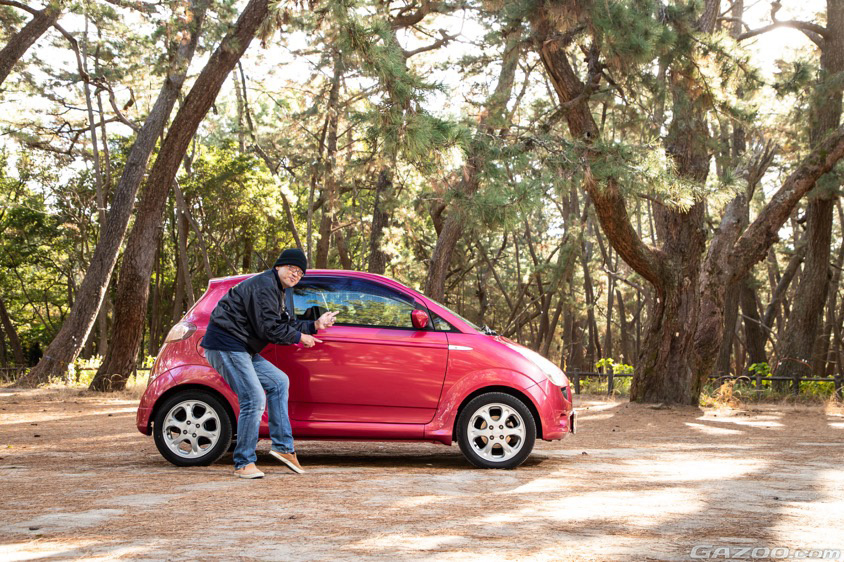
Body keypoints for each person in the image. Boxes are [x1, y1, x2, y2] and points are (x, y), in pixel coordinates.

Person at [200, 248, 338, 479]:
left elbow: (285, 323)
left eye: (300, 273)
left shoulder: (278, 290)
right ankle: (243, 463)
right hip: (227, 344)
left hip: (244, 347)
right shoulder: (264, 287)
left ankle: (283, 448)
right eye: (292, 269)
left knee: (278, 381)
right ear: (278, 267)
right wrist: (299, 338)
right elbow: (270, 329)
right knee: (253, 399)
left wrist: (314, 326)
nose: (296, 275)